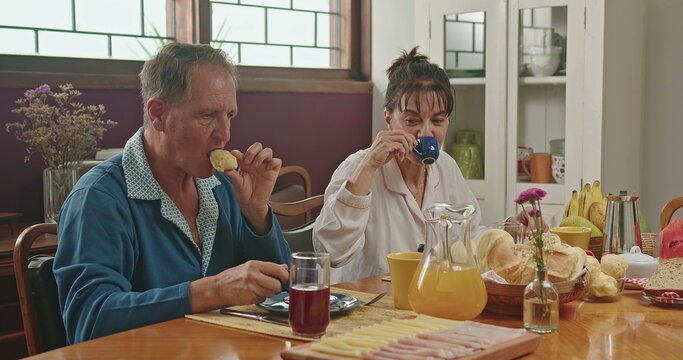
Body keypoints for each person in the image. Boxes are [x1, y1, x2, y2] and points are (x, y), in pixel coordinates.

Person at [54, 43, 291, 344]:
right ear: (158, 114)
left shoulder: (223, 189)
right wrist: (211, 290)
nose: (225, 134)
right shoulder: (98, 198)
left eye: (229, 115)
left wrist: (256, 213)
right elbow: (90, 321)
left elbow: (283, 294)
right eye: (207, 116)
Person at [312, 47, 543, 283]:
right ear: (389, 119)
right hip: (368, 303)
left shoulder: (447, 167)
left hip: (433, 299)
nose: (425, 133)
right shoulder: (358, 167)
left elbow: (469, 238)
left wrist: (510, 230)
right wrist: (368, 166)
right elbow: (331, 251)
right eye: (412, 120)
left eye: (437, 121)